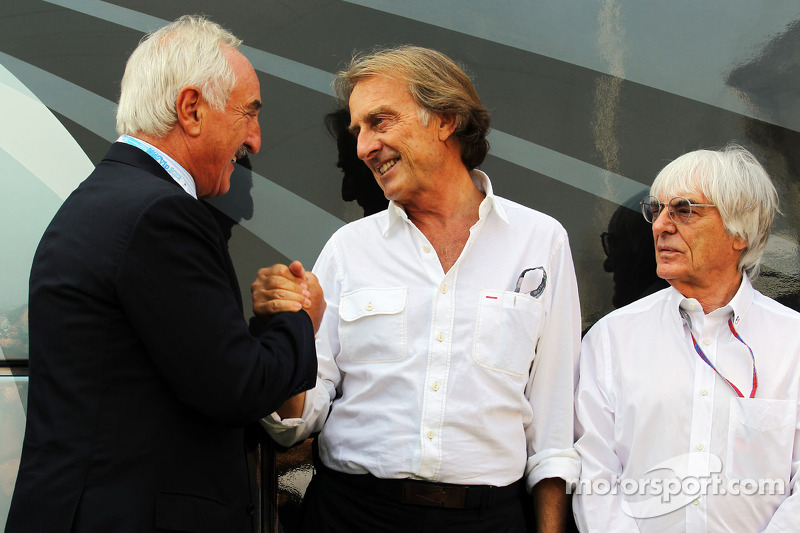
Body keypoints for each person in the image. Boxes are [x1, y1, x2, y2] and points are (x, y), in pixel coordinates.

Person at [5, 15, 323, 532]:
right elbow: (234, 387)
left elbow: (189, 364)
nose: (256, 140)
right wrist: (297, 318)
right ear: (192, 109)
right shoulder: (161, 215)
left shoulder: (106, 199)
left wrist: (263, 330)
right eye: (248, 114)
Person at [262, 45, 582, 532]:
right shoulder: (349, 249)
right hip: (351, 515)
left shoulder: (541, 242)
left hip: (489, 521)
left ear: (446, 119)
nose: (365, 147)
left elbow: (553, 431)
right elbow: (300, 421)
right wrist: (288, 333)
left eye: (380, 122)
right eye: (358, 132)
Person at [573, 145, 800, 531]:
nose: (660, 225)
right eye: (656, 210)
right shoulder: (612, 339)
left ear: (738, 231)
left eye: (683, 210)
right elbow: (595, 477)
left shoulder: (792, 341)